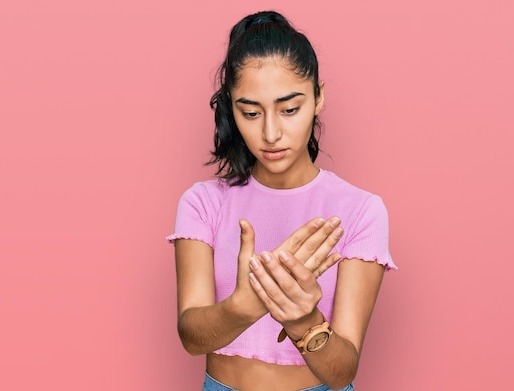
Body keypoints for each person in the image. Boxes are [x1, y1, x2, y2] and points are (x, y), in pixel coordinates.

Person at [167, 10, 397, 391]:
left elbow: (342, 372)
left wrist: (302, 320)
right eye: (251, 112)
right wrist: (244, 306)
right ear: (231, 107)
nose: (271, 133)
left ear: (319, 97)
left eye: (289, 109)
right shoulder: (203, 203)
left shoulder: (361, 210)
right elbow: (192, 338)